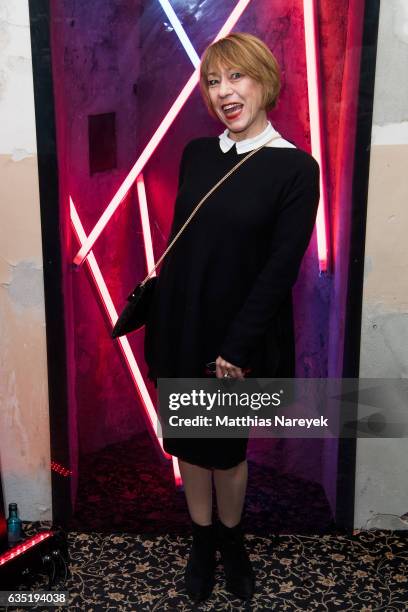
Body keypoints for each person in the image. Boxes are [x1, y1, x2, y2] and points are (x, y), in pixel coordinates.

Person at [144, 32, 320, 602]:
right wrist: (163, 313)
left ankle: (233, 540)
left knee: (226, 448)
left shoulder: (296, 169)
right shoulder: (198, 154)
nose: (225, 92)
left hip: (234, 337)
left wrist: (239, 347)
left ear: (264, 81)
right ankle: (201, 542)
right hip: (182, 323)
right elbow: (183, 243)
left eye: (236, 77)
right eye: (214, 82)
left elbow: (279, 269)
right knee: (190, 444)